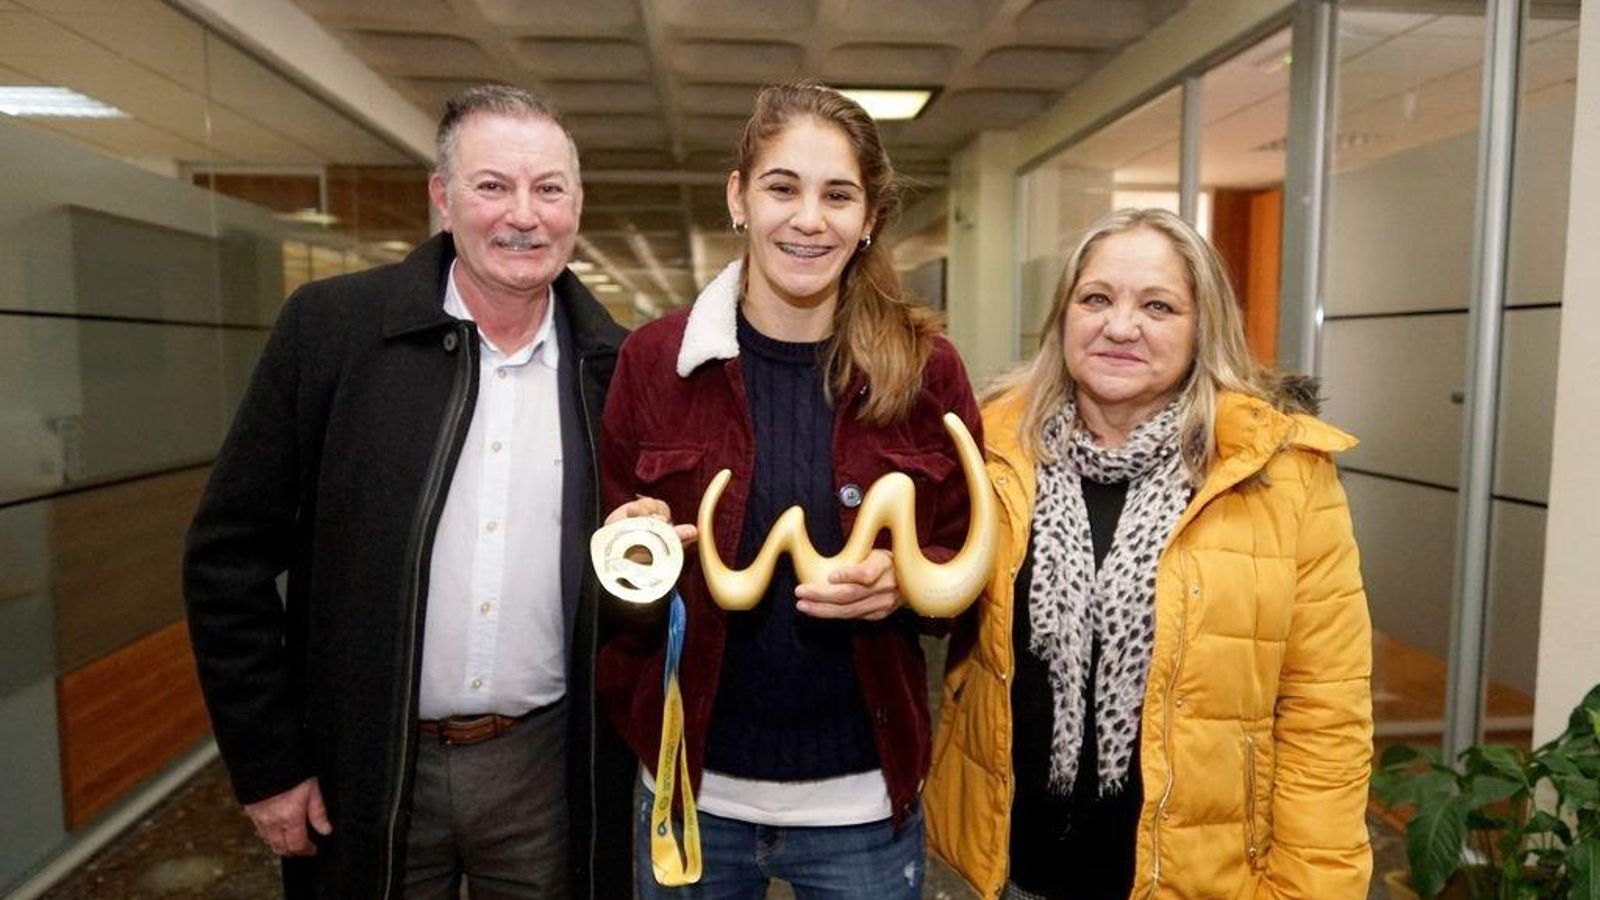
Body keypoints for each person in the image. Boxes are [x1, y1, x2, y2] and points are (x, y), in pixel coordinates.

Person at [183, 85, 632, 900]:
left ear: (577, 203)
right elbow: (228, 561)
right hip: (365, 766)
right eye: (492, 185)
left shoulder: (618, 371)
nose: (523, 215)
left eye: (549, 188)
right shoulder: (332, 333)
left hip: (549, 768)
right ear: (443, 198)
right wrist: (268, 761)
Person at [597, 82, 981, 899]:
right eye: (782, 187)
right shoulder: (654, 363)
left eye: (838, 195)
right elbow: (607, 590)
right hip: (694, 792)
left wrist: (906, 589)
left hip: (862, 807)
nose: (809, 219)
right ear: (739, 197)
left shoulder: (926, 371)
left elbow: (965, 566)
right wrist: (637, 554)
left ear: (869, 215)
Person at [926, 207, 1373, 899]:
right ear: (1064, 317)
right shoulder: (988, 455)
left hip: (1201, 877)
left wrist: (1312, 887)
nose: (1121, 325)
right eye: (1096, 298)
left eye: (1158, 306)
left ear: (1203, 329)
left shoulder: (1281, 475)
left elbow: (1326, 712)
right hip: (1016, 869)